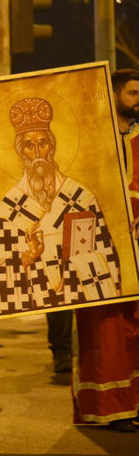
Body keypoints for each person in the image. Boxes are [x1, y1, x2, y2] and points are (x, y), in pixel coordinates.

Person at [0, 97, 121, 314]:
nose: (37, 152)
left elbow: (105, 250)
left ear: (51, 146)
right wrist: (30, 256)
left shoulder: (80, 196)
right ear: (21, 151)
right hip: (37, 295)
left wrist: (79, 260)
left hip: (79, 289)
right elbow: (1, 267)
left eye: (42, 143)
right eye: (29, 146)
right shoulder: (10, 206)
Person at [72, 69, 139, 432]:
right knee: (108, 330)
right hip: (101, 249)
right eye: (131, 92)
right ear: (112, 95)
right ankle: (112, 407)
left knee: (135, 330)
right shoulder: (93, 138)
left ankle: (135, 403)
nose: (138, 98)